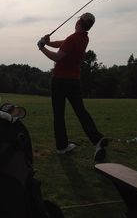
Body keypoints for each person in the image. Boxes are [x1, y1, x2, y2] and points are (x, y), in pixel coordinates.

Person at [37, 12, 108, 161]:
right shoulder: (83, 38)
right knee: (81, 111)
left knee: (59, 114)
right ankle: (97, 139)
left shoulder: (73, 38)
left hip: (59, 81)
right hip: (74, 81)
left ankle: (62, 146)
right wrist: (48, 43)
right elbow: (62, 44)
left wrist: (41, 47)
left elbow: (56, 56)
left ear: (79, 22)